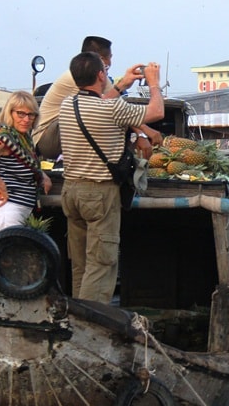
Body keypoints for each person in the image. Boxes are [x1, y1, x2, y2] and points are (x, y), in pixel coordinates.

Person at [58, 51, 164, 304]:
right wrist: (154, 82)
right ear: (100, 74)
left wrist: (122, 83)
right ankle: (91, 325)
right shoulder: (112, 108)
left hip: (71, 191)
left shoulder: (68, 105)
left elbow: (102, 100)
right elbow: (157, 111)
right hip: (99, 195)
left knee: (81, 265)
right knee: (101, 263)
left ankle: (76, 320)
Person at [34, 35, 161, 160]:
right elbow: (102, 108)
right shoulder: (76, 76)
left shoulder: (99, 78)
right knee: (110, 121)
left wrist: (122, 85)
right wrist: (142, 133)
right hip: (48, 137)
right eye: (109, 58)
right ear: (100, 59)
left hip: (66, 131)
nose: (110, 63)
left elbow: (112, 105)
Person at [0, 91, 52, 243]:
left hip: (15, 211)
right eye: (21, 114)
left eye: (31, 115)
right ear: (10, 113)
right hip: (5, 212)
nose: (26, 119)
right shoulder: (4, 137)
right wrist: (0, 185)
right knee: (5, 262)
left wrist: (42, 175)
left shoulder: (21, 137)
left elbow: (26, 162)